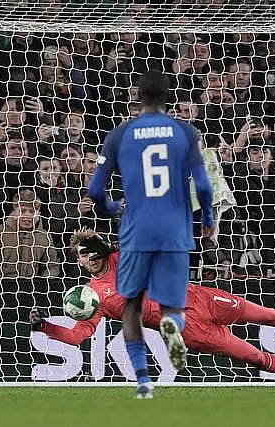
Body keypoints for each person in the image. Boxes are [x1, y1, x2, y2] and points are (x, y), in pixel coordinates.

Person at [30, 229, 275, 389]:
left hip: (198, 297)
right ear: (78, 259)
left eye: (93, 250)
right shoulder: (90, 297)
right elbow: (77, 337)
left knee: (271, 315)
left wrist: (114, 243)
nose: (90, 257)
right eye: (83, 254)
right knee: (254, 357)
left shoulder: (121, 257)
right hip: (189, 329)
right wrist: (44, 327)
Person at [88, 70, 214, 398]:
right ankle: (174, 327)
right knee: (172, 304)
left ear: (138, 96)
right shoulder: (185, 131)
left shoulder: (120, 134)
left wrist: (110, 208)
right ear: (167, 97)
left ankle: (143, 380)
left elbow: (94, 188)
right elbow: (202, 184)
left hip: (136, 229)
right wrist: (209, 217)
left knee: (131, 304)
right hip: (175, 228)